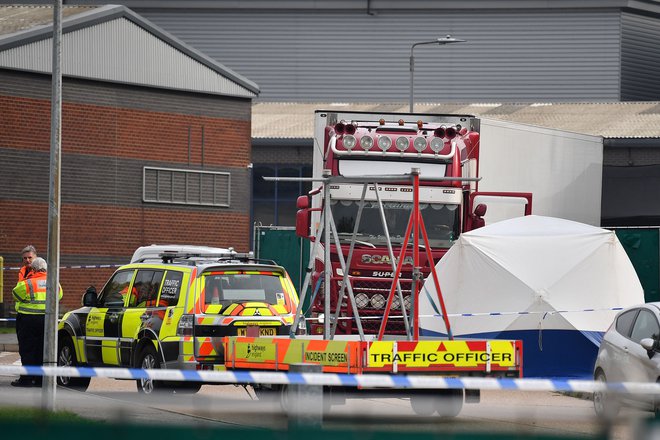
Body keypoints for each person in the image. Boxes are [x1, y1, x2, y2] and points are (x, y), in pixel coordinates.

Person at [11, 257, 63, 387]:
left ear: (33, 269)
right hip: (47, 320)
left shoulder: (28, 283)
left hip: (28, 320)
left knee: (27, 349)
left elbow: (15, 294)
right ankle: (40, 380)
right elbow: (59, 296)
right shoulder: (55, 283)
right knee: (43, 350)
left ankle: (27, 380)